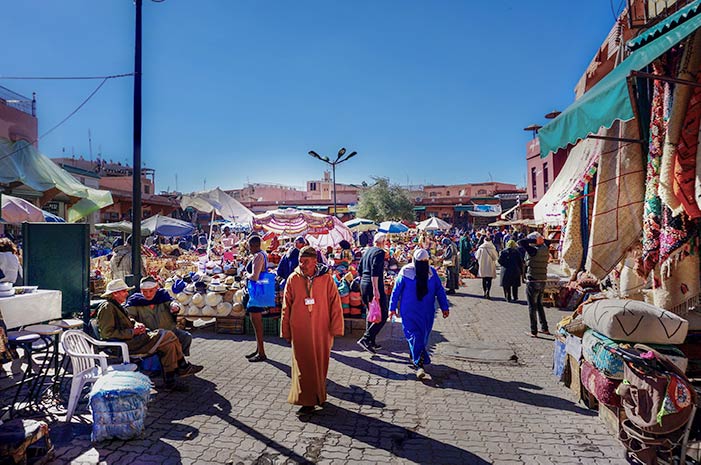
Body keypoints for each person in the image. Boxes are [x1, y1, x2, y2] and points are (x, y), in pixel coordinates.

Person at [96, 279, 202, 390]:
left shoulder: (116, 305)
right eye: (124, 291)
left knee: (169, 345)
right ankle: (183, 366)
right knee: (168, 335)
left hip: (133, 339)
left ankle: (170, 382)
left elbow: (128, 321)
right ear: (115, 293)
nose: (127, 293)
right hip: (127, 344)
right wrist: (133, 332)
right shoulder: (107, 307)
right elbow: (107, 334)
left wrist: (136, 324)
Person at [281, 246, 344, 415]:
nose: (302, 264)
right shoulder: (293, 279)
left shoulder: (326, 279)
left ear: (315, 261)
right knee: (303, 365)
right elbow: (286, 306)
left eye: (306, 261)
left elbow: (335, 303)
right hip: (299, 330)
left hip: (322, 329)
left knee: (320, 364)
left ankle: (318, 396)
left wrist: (336, 327)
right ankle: (306, 401)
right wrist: (285, 330)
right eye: (300, 261)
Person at [389, 248, 449, 380]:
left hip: (427, 312)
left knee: (423, 337)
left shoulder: (432, 273)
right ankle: (419, 364)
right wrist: (392, 308)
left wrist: (445, 307)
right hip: (409, 311)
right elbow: (396, 290)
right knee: (415, 336)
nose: (422, 264)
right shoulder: (405, 271)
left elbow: (439, 290)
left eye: (425, 261)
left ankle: (415, 355)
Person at [125, 276, 193, 356]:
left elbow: (171, 302)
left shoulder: (162, 296)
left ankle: (180, 359)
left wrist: (174, 307)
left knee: (186, 337)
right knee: (167, 346)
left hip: (170, 331)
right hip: (151, 336)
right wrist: (135, 323)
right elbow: (129, 316)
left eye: (151, 291)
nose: (148, 294)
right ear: (141, 291)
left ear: (156, 288)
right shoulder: (135, 301)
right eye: (145, 291)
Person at [356, 233, 388, 353]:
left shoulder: (367, 251)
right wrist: (376, 290)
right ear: (382, 241)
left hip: (364, 285)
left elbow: (359, 269)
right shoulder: (380, 253)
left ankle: (371, 342)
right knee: (383, 314)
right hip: (373, 286)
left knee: (371, 313)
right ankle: (366, 338)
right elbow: (375, 272)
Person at [518, 232, 552, 337]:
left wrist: (534, 240)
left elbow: (521, 242)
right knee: (539, 305)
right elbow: (547, 241)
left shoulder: (533, 251)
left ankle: (534, 330)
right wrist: (539, 239)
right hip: (542, 280)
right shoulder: (545, 248)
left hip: (533, 280)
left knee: (532, 306)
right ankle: (545, 328)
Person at [244, 235, 269, 362]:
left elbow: (255, 276)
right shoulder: (262, 254)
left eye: (249, 246)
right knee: (256, 323)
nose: (248, 248)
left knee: (257, 323)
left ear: (253, 245)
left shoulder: (258, 256)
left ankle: (262, 353)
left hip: (257, 292)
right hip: (259, 291)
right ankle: (258, 349)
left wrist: (246, 274)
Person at [475, 235, 498, 299]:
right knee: (489, 280)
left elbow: (477, 256)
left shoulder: (481, 248)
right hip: (490, 265)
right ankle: (488, 292)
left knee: (484, 279)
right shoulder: (492, 248)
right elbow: (495, 257)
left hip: (483, 265)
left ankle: (484, 292)